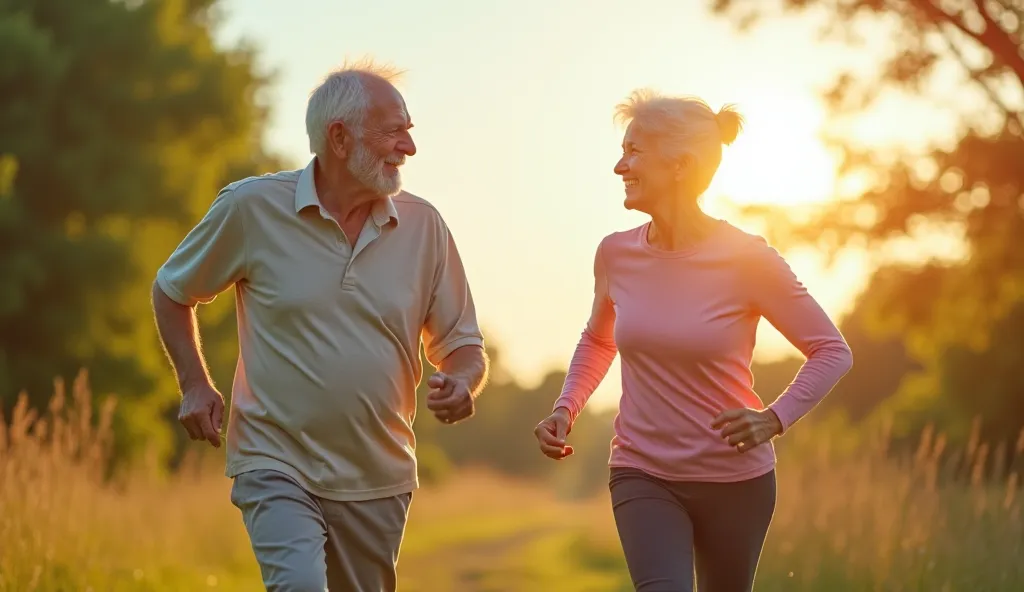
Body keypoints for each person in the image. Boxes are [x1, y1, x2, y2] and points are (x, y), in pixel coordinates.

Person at [151, 60, 489, 592]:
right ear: (339, 137)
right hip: (275, 459)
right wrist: (195, 382)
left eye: (409, 131)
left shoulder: (425, 227)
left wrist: (463, 382)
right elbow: (173, 290)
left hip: (378, 477)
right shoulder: (252, 207)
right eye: (394, 131)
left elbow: (463, 345)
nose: (409, 147)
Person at [533, 89, 853, 592]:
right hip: (643, 471)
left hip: (737, 481)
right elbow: (599, 340)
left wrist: (774, 417)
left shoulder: (748, 259)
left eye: (634, 151)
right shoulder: (615, 254)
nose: (620, 166)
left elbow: (832, 350)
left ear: (680, 164)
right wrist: (565, 408)